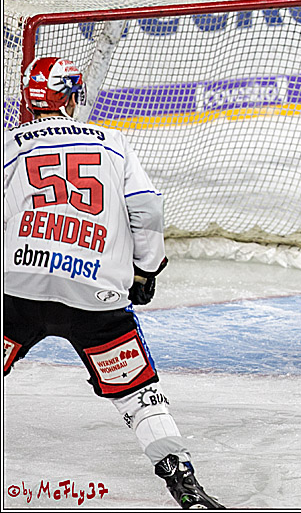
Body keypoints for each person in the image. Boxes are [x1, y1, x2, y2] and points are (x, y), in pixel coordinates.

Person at [3, 56, 223, 509]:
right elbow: (147, 210)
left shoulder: (8, 145)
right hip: (94, 294)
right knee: (139, 394)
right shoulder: (111, 141)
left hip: (18, 289)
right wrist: (147, 268)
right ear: (70, 95)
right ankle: (183, 482)